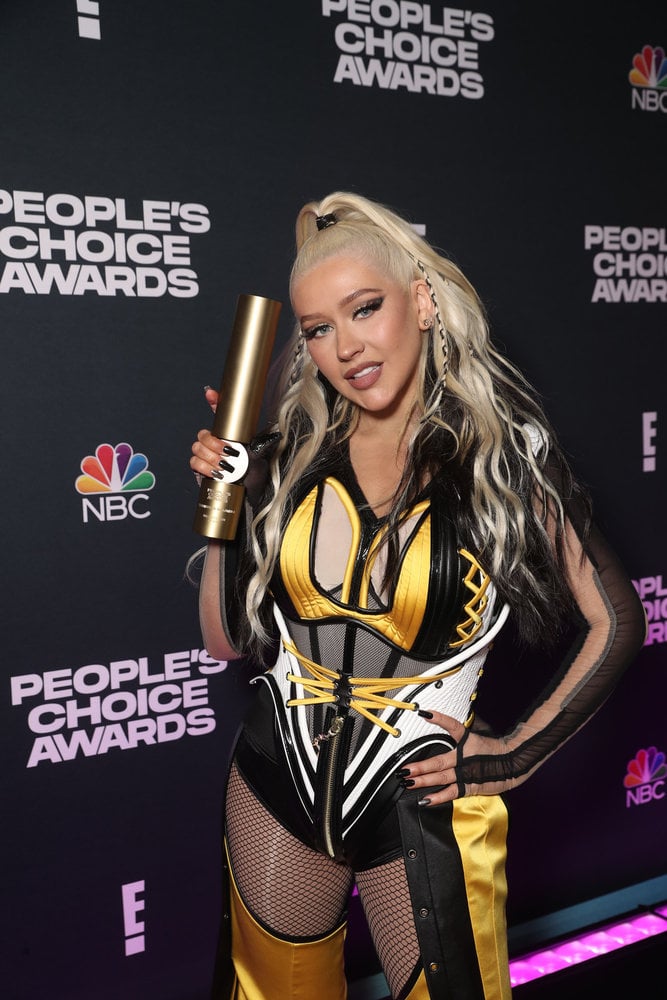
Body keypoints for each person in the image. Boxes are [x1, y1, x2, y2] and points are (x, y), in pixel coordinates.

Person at [189, 191, 646, 1000]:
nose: (346, 348)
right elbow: (225, 642)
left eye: (365, 309)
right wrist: (225, 509)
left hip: (420, 801)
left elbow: (615, 621)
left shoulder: (504, 459)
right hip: (274, 782)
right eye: (319, 329)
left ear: (424, 301)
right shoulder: (291, 454)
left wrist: (512, 754)